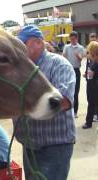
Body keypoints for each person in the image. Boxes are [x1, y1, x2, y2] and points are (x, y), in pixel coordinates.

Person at [16, 25, 76, 180]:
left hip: (54, 147)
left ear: (38, 43)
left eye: (23, 44)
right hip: (29, 145)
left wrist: (26, 106)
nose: (18, 48)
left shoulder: (59, 64)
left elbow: (63, 102)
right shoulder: (21, 68)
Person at [62, 31, 86, 117]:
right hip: (67, 70)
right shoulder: (66, 47)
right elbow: (63, 56)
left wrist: (78, 56)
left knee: (76, 92)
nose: (72, 40)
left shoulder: (81, 48)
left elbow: (81, 59)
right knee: (66, 91)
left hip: (76, 71)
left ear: (76, 38)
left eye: (73, 39)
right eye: (71, 39)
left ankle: (75, 112)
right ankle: (67, 110)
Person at [82, 41, 98, 129]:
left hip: (95, 86)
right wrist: (87, 75)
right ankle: (89, 122)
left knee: (91, 104)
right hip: (90, 85)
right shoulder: (92, 60)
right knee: (91, 103)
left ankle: (88, 123)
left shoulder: (96, 62)